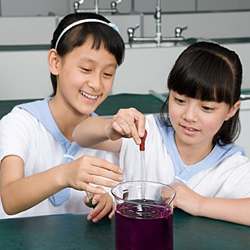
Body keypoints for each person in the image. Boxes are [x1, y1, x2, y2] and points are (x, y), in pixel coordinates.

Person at [73, 41, 250, 225]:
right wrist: (110, 127)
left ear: (231, 110)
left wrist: (199, 204)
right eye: (179, 100)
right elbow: (79, 134)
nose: (189, 116)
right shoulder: (145, 132)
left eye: (206, 108)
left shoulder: (232, 167)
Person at [0, 12, 125, 222]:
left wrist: (106, 202)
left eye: (107, 74)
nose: (96, 84)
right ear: (55, 62)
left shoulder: (107, 137)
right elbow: (10, 198)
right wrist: (65, 175)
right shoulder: (19, 124)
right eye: (86, 69)